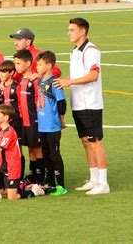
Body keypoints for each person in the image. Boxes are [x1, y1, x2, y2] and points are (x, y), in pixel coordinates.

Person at [53, 17, 110, 195]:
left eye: (72, 30)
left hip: (90, 104)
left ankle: (103, 183)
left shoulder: (90, 50)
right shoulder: (76, 51)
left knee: (95, 142)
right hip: (79, 103)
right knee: (86, 142)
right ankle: (94, 179)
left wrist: (69, 82)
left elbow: (93, 75)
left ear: (82, 31)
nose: (68, 33)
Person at [0, 104, 43, 201]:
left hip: (11, 167)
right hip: (1, 165)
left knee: (12, 198)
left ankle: (35, 191)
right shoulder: (0, 130)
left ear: (6, 117)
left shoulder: (8, 132)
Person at [36, 51, 68, 196]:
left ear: (49, 65)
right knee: (46, 154)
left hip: (52, 125)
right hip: (42, 125)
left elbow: (61, 102)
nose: (37, 67)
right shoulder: (40, 81)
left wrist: (61, 119)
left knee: (55, 154)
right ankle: (50, 183)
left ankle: (61, 185)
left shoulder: (54, 82)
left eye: (40, 64)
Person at [14, 49, 45, 184]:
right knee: (30, 148)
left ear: (28, 63)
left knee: (38, 149)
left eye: (19, 63)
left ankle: (41, 178)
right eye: (15, 63)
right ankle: (33, 176)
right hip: (25, 121)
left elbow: (40, 100)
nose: (16, 66)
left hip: (35, 120)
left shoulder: (36, 80)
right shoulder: (22, 80)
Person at [0, 60, 25, 178]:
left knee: (18, 149)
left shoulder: (16, 87)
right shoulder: (2, 88)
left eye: (4, 72)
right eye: (0, 72)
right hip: (6, 123)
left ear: (12, 72)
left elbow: (21, 105)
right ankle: (8, 173)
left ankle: (20, 176)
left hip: (17, 122)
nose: (1, 75)